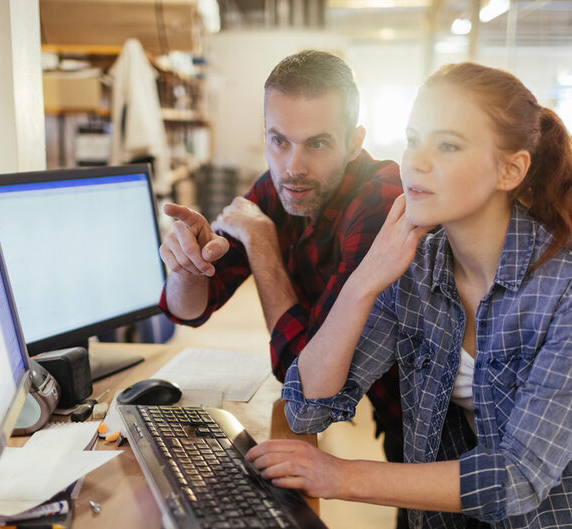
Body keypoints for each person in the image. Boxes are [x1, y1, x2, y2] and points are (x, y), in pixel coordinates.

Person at [246, 61, 572, 529]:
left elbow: (519, 475)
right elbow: (308, 406)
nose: (415, 162)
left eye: (446, 146)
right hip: (450, 522)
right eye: (413, 139)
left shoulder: (562, 288)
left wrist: (340, 475)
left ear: (511, 171)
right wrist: (363, 282)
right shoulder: (419, 266)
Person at [158, 53, 403, 459]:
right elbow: (188, 311)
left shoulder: (380, 202)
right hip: (389, 406)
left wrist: (262, 244)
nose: (293, 166)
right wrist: (187, 264)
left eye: (318, 143)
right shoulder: (279, 188)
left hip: (445, 420)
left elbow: (304, 378)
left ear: (355, 142)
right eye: (279, 140)